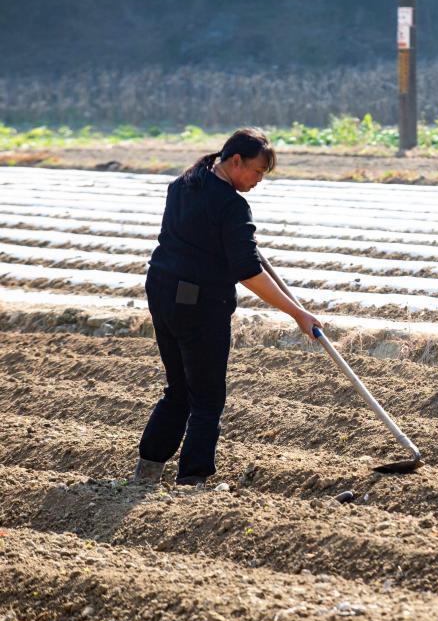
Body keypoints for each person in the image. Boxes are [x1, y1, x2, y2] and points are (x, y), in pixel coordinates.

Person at [132, 128, 322, 487]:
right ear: (236, 161)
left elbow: (202, 241)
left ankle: (148, 469)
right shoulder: (232, 205)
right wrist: (298, 313)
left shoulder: (184, 185)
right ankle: (193, 479)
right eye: (257, 172)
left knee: (179, 388)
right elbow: (249, 272)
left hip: (161, 290)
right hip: (199, 303)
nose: (258, 180)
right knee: (206, 395)